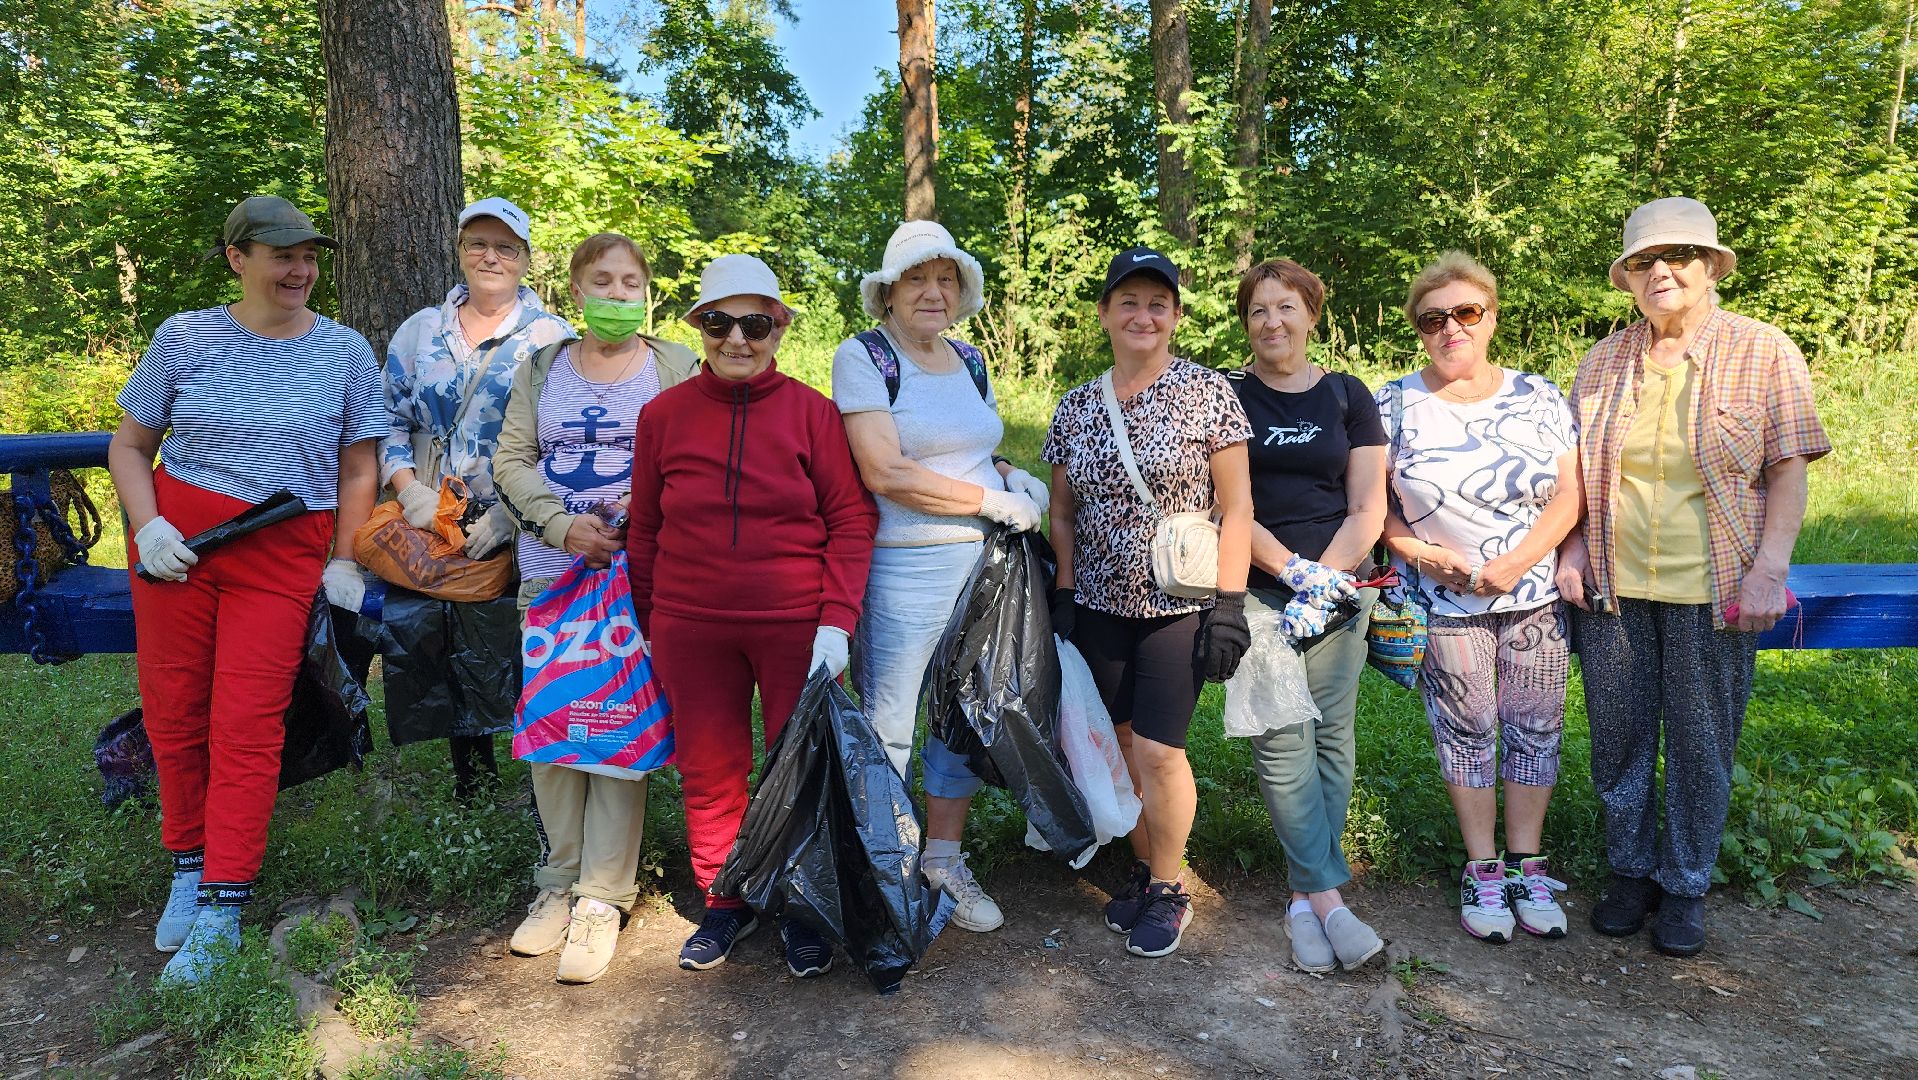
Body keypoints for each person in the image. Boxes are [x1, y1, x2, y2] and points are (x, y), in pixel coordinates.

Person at [108, 196, 384, 984]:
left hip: (283, 550)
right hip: (179, 549)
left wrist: (344, 561)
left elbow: (358, 465)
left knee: (249, 716)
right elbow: (129, 446)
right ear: (237, 258)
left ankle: (227, 896)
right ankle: (188, 865)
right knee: (174, 706)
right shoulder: (185, 336)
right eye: (280, 254)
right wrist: (148, 527)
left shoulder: (344, 351)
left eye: (308, 256)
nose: (299, 269)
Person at [1560, 198, 1828, 957]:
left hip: (1716, 587)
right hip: (1615, 585)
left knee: (1701, 742)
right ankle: (1630, 872)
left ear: (1710, 267)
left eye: (1679, 256)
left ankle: (1685, 884)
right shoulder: (1604, 360)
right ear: (1628, 279)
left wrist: (1770, 570)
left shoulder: (1763, 351)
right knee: (1618, 740)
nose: (1662, 272)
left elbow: (1788, 469)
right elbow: (1576, 474)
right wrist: (1574, 547)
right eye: (1645, 261)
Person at [626, 255, 878, 978]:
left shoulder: (813, 413)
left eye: (755, 323)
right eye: (718, 322)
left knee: (797, 768)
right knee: (710, 768)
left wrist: (836, 622)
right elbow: (644, 528)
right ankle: (726, 898)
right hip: (689, 623)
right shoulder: (661, 416)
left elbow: (850, 522)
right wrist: (651, 616)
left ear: (780, 329)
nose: (736, 338)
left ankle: (802, 903)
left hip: (796, 621)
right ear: (698, 328)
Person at [492, 233, 698, 984]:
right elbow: (510, 458)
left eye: (630, 280)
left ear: (647, 290)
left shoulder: (674, 363)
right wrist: (560, 523)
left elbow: (696, 454)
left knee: (616, 719)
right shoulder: (542, 366)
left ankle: (602, 896)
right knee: (553, 723)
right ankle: (557, 881)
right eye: (601, 281)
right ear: (576, 292)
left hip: (635, 579)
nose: (617, 293)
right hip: (551, 576)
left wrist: (640, 510)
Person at [832, 220, 1047, 935]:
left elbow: (977, 445)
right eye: (916, 279)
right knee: (890, 724)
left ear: (960, 292)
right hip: (904, 570)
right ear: (888, 293)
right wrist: (992, 501)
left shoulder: (971, 359)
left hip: (983, 567)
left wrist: (1014, 478)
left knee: (963, 717)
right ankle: (884, 870)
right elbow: (884, 471)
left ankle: (942, 863)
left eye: (945, 279)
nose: (932, 292)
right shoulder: (863, 357)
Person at [1042, 246, 1254, 959]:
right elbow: (1062, 513)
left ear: (1176, 316)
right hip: (1099, 607)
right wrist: (1065, 591)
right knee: (1122, 743)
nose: (1143, 314)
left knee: (1162, 751)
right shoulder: (1075, 406)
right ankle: (1144, 860)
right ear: (1104, 313)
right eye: (1127, 301)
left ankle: (1169, 886)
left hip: (1179, 606)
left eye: (1157, 303)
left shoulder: (1207, 392)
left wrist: (1229, 603)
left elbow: (1238, 505)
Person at [1377, 251, 1583, 945]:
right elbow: (1374, 507)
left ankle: (1527, 862)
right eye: (1434, 319)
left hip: (1533, 598)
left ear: (1491, 317)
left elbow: (1571, 496)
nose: (1451, 329)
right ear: (1419, 330)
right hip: (1444, 606)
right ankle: (1483, 869)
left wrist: (1519, 561)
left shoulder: (1539, 396)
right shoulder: (1394, 404)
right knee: (1467, 736)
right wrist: (1419, 552)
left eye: (1467, 313)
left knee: (1535, 729)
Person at [378, 197, 573, 801]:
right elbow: (384, 419)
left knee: (517, 632)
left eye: (506, 247)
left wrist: (518, 515)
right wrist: (407, 487)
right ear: (459, 251)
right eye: (478, 244)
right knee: (447, 622)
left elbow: (565, 437)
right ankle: (475, 780)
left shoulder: (552, 338)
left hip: (518, 513)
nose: (491, 257)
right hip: (431, 510)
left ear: (524, 259)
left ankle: (551, 777)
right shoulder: (418, 332)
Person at [1227, 258, 1388, 972]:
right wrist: (1289, 572)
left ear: (1312, 314)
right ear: (1246, 322)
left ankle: (1301, 899)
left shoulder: (1348, 395)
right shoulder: (1226, 395)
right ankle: (1328, 899)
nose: (1273, 322)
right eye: (1259, 310)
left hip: (1341, 590)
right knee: (1281, 736)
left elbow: (1368, 506)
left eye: (1286, 307)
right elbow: (1229, 505)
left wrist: (1326, 578)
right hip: (1260, 588)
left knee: (1330, 736)